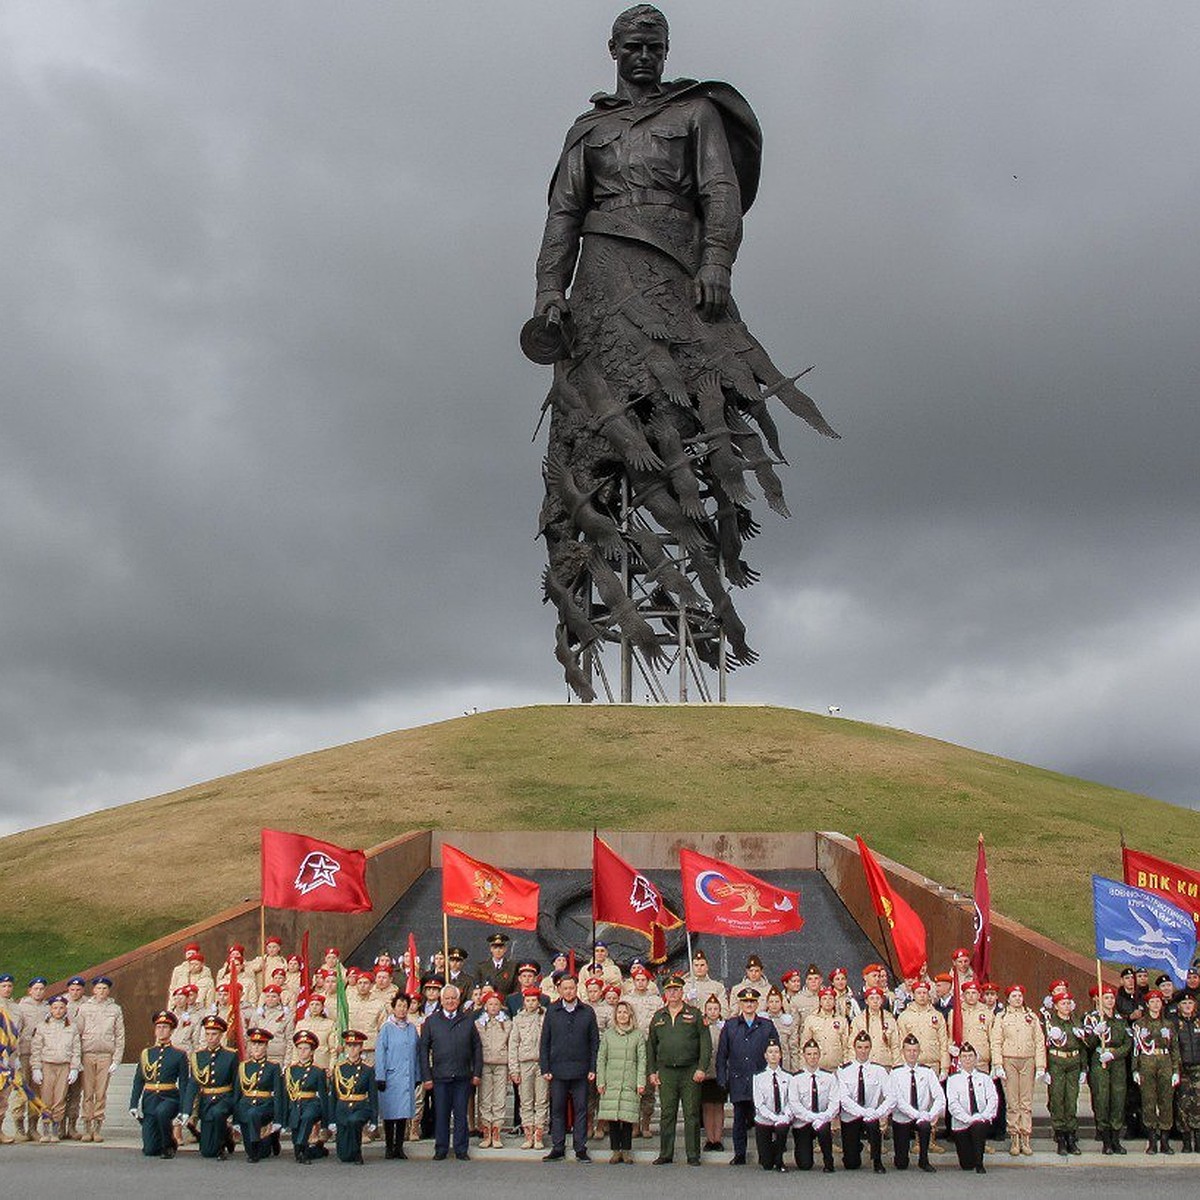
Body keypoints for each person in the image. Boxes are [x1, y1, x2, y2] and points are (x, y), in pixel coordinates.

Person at [646, 973, 709, 1165]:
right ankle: (666, 1153)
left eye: (676, 990)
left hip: (689, 1070)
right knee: (667, 1113)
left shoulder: (695, 1014)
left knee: (691, 1113)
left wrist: (701, 1068)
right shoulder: (658, 1016)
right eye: (669, 990)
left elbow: (705, 1043)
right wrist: (652, 1071)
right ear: (665, 993)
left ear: (682, 992)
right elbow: (651, 1046)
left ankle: (693, 1154)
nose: (673, 993)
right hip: (666, 1071)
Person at [539, 972, 599, 1162]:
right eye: (565, 988)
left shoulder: (587, 1011)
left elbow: (594, 1042)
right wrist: (545, 1068)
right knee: (557, 1109)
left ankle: (580, 1147)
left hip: (581, 1070)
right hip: (557, 1070)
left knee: (581, 1109)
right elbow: (545, 1041)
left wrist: (593, 1067)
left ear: (576, 988)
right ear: (559, 990)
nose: (568, 991)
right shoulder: (552, 1010)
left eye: (571, 988)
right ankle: (558, 1147)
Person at [420, 983, 482, 1161]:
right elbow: (423, 1050)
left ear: (458, 1000)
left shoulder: (467, 1020)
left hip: (463, 1076)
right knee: (441, 1114)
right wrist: (426, 1076)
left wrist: (476, 1073)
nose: (450, 1001)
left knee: (461, 1114)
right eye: (446, 998)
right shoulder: (432, 1021)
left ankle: (461, 1149)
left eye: (453, 998)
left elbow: (477, 1048)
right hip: (440, 1076)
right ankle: (441, 1148)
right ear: (441, 1000)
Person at [715, 986, 776, 1164]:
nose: (749, 1004)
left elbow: (775, 1052)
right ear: (740, 1003)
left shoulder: (767, 1026)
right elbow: (722, 1054)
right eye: (745, 1001)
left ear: (757, 1004)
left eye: (752, 1001)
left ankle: (765, 1153)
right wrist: (721, 1077)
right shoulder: (731, 1025)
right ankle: (739, 1153)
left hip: (760, 1079)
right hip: (738, 1078)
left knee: (762, 1118)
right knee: (739, 1119)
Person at [989, 982, 1044, 1156]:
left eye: (1020, 996)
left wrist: (1041, 1065)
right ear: (1008, 998)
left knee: (1026, 1101)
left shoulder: (1031, 1016)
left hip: (1028, 1060)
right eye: (1014, 996)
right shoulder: (1002, 1017)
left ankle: (1025, 1136)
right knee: (1012, 1101)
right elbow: (996, 1041)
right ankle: (1014, 1137)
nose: (1018, 999)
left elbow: (1039, 1042)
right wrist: (998, 1064)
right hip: (1009, 1060)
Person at [129, 1011, 189, 1159]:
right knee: (149, 1150)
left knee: (162, 1113)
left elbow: (184, 1083)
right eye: (159, 1027)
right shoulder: (147, 1053)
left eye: (165, 1027)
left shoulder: (179, 1054)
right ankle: (161, 1142)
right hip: (150, 1099)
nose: (161, 1030)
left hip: (169, 1098)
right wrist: (133, 1104)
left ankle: (169, 1144)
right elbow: (139, 1080)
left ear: (172, 1030)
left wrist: (183, 1109)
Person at [72, 975, 123, 1144]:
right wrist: (76, 1058)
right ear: (93, 990)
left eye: (104, 988)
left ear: (109, 990)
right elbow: (77, 1034)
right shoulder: (85, 1008)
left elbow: (120, 1035)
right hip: (88, 1053)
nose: (101, 991)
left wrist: (117, 1059)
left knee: (100, 1093)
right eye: (98, 988)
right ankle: (86, 1125)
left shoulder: (115, 1009)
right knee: (87, 1092)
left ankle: (97, 1127)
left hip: (105, 1055)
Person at [596, 997, 646, 1163]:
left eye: (625, 1012)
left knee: (627, 1119)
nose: (622, 1015)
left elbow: (641, 1060)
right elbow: (601, 1059)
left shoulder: (638, 1035)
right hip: (611, 1081)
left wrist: (640, 1082)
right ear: (615, 1015)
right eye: (619, 1012)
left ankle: (626, 1151)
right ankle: (615, 1151)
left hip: (629, 1082)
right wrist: (600, 1081)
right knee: (613, 1120)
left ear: (630, 1015)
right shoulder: (609, 1035)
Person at [1084, 982, 1131, 1155]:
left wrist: (1114, 1054)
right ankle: (1106, 1141)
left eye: (1112, 998)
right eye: (1106, 998)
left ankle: (1116, 1139)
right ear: (1100, 1000)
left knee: (1118, 1100)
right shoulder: (1092, 1018)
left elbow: (1128, 1043)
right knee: (1102, 1099)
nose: (1110, 1001)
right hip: (1099, 1061)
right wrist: (1096, 1034)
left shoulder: (1120, 1019)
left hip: (1116, 1062)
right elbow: (1087, 1044)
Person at [182, 1014, 238, 1159]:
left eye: (214, 1034)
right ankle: (226, 1135)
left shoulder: (230, 1056)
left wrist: (236, 1107)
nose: (210, 1038)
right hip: (206, 1100)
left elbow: (236, 1083)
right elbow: (193, 1083)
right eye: (207, 1034)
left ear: (221, 1036)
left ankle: (221, 1148)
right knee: (207, 1152)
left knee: (218, 1113)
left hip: (224, 1099)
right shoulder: (198, 1056)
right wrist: (187, 1110)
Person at [1133, 987, 1181, 1154]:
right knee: (1148, 1102)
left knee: (1166, 1102)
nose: (1155, 1004)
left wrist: (1175, 1071)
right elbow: (1135, 1050)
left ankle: (1165, 1141)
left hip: (1165, 1062)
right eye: (1152, 1001)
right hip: (1146, 1062)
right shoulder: (1139, 1025)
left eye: (1158, 1001)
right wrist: (1135, 1070)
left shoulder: (1168, 1025)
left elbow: (1174, 1049)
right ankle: (1152, 1141)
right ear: (1147, 1004)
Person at [837, 1029, 893, 1172]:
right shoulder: (844, 1070)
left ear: (870, 1048)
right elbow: (844, 1099)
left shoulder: (879, 1070)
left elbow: (891, 1096)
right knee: (851, 1164)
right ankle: (855, 1148)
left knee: (874, 1125)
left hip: (872, 1115)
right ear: (854, 1048)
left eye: (866, 1047)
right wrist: (863, 1112)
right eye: (860, 1047)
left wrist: (878, 1112)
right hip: (851, 1116)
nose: (863, 1051)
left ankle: (877, 1160)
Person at [889, 1032, 944, 1172]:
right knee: (901, 1164)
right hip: (902, 1117)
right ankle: (901, 1155)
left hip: (922, 1116)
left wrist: (930, 1115)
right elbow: (898, 1101)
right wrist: (917, 1114)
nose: (912, 1054)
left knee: (925, 1126)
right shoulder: (895, 1073)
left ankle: (924, 1160)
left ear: (919, 1052)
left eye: (915, 1051)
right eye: (908, 1050)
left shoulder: (927, 1072)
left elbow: (939, 1097)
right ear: (903, 1052)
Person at [375, 991, 420, 1160]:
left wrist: (417, 1075)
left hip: (406, 1076)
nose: (402, 1009)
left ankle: (399, 1146)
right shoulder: (386, 1028)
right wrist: (380, 1075)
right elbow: (380, 1053)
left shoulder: (411, 1028)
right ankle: (388, 1146)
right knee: (389, 1113)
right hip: (391, 1076)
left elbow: (416, 1053)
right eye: (399, 1006)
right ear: (393, 1008)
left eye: (405, 1006)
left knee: (402, 1114)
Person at [30, 993, 81, 1141]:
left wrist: (74, 1068)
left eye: (61, 1008)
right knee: (46, 1097)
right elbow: (37, 1048)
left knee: (60, 1098)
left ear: (66, 1009)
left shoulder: (72, 1027)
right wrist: (36, 1068)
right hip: (47, 1064)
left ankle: (56, 1129)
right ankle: (45, 1128)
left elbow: (76, 1049)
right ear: (50, 1010)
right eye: (55, 1008)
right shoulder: (42, 1026)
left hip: (64, 1065)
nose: (58, 1011)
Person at [1044, 989, 1087, 1155]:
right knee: (1057, 1100)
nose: (1067, 1006)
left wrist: (1084, 1068)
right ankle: (1060, 1136)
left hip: (1074, 1063)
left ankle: (1071, 1136)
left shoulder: (1076, 1022)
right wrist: (1046, 1068)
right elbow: (1045, 1047)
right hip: (1057, 1063)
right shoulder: (1051, 1023)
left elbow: (1083, 1047)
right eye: (1063, 1003)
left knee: (1071, 1100)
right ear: (1056, 1006)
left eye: (1069, 1003)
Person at [788, 1035, 839, 1172]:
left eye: (815, 1054)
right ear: (804, 1056)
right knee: (805, 1165)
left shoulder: (829, 1077)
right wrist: (812, 1117)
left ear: (820, 1055)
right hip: (803, 1122)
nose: (812, 1057)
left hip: (822, 1120)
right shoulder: (796, 1078)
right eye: (809, 1054)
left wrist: (824, 1117)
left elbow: (834, 1103)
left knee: (823, 1129)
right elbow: (795, 1105)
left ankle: (829, 1162)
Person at [945, 1042, 997, 1173]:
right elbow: (953, 1105)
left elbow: (993, 1099)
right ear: (960, 1059)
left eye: (970, 1056)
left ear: (975, 1058)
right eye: (964, 1056)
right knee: (967, 1164)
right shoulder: (953, 1079)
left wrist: (982, 1117)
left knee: (978, 1126)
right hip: (961, 1124)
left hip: (980, 1121)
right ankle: (973, 1155)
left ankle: (980, 1163)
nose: (967, 1059)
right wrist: (968, 1119)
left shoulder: (985, 1078)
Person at [235, 1026, 285, 1163]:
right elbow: (237, 1093)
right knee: (252, 1149)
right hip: (246, 1106)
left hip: (265, 1107)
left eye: (260, 1044)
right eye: (254, 1044)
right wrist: (235, 1119)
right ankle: (261, 1143)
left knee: (258, 1151)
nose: (256, 1047)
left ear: (266, 1047)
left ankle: (264, 1140)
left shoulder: (273, 1067)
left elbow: (278, 1094)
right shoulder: (243, 1066)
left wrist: (278, 1120)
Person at [509, 985, 549, 1149]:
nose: (531, 1004)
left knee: (542, 1100)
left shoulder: (546, 1017)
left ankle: (539, 1134)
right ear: (524, 1002)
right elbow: (513, 1044)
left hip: (541, 1063)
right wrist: (514, 1069)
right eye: (528, 1000)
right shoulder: (518, 1019)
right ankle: (528, 1134)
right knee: (526, 1101)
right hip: (524, 1062)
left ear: (539, 1002)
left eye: (534, 1000)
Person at [329, 1029, 377, 1164]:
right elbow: (334, 1095)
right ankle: (350, 1153)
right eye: (349, 1046)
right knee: (344, 1155)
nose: (352, 1049)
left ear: (361, 1047)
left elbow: (373, 1096)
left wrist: (373, 1119)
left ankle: (357, 1153)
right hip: (342, 1107)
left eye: (355, 1046)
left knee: (354, 1121)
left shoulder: (367, 1069)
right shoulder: (339, 1068)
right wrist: (331, 1119)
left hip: (360, 1106)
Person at [286, 1029, 330, 1163]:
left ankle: (300, 1145)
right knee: (296, 1123)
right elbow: (287, 1093)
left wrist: (325, 1121)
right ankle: (312, 1150)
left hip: (311, 1103)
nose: (302, 1052)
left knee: (307, 1117)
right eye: (299, 1048)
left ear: (312, 1051)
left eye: (306, 1049)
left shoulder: (318, 1070)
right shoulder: (290, 1070)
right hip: (295, 1103)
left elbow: (323, 1095)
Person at [475, 989, 511, 1148]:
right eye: (490, 1004)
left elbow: (511, 1044)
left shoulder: (508, 1024)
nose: (494, 1007)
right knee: (484, 1098)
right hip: (484, 1063)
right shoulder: (478, 1024)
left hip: (501, 1063)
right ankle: (486, 1132)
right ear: (485, 1006)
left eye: (496, 1004)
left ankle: (497, 1131)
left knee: (499, 1098)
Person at [751, 1039, 790, 1172]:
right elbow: (759, 1104)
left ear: (781, 1055)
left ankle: (779, 1159)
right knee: (766, 1165)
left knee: (782, 1128)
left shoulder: (788, 1077)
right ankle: (770, 1153)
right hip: (764, 1121)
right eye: (770, 1052)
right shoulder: (758, 1077)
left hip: (782, 1119)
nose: (773, 1055)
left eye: (776, 1052)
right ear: (765, 1056)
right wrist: (774, 1117)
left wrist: (784, 1116)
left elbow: (791, 1101)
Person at [699, 994, 727, 1150]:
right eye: (709, 1009)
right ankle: (710, 1139)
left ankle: (718, 1138)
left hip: (720, 1071)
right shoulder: (701, 1026)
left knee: (719, 1106)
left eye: (716, 1008)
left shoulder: (724, 1027)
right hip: (706, 1071)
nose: (713, 1011)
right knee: (708, 1106)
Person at [1174, 990, 1200, 1152]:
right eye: (1184, 1003)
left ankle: (1198, 1139)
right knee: (1183, 1104)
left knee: (1198, 1103)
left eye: (1190, 1003)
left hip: (1198, 1067)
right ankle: (1185, 1141)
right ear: (1178, 1006)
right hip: (1182, 1067)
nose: (1187, 1006)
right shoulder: (1175, 1023)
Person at [801, 985, 849, 1071]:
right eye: (824, 999)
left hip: (837, 1068)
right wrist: (803, 1067)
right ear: (820, 1002)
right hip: (816, 1067)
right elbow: (804, 1046)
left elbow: (846, 1047)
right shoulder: (811, 1019)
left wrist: (846, 1065)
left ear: (834, 1002)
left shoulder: (842, 1021)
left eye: (830, 999)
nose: (828, 1002)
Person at [850, 985, 900, 1067]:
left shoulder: (889, 1019)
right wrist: (853, 1065)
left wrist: (897, 1066)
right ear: (866, 1001)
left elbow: (895, 1045)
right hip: (865, 1064)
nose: (875, 1001)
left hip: (885, 1064)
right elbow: (852, 1045)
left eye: (878, 998)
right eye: (872, 998)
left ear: (882, 1001)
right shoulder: (858, 1020)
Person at [685, 948, 726, 1015]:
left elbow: (724, 1010)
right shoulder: (684, 985)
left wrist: (718, 1020)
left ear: (707, 967)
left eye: (702, 965)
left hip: (710, 1022)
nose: (699, 968)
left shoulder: (717, 987)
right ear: (692, 967)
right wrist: (686, 998)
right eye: (696, 965)